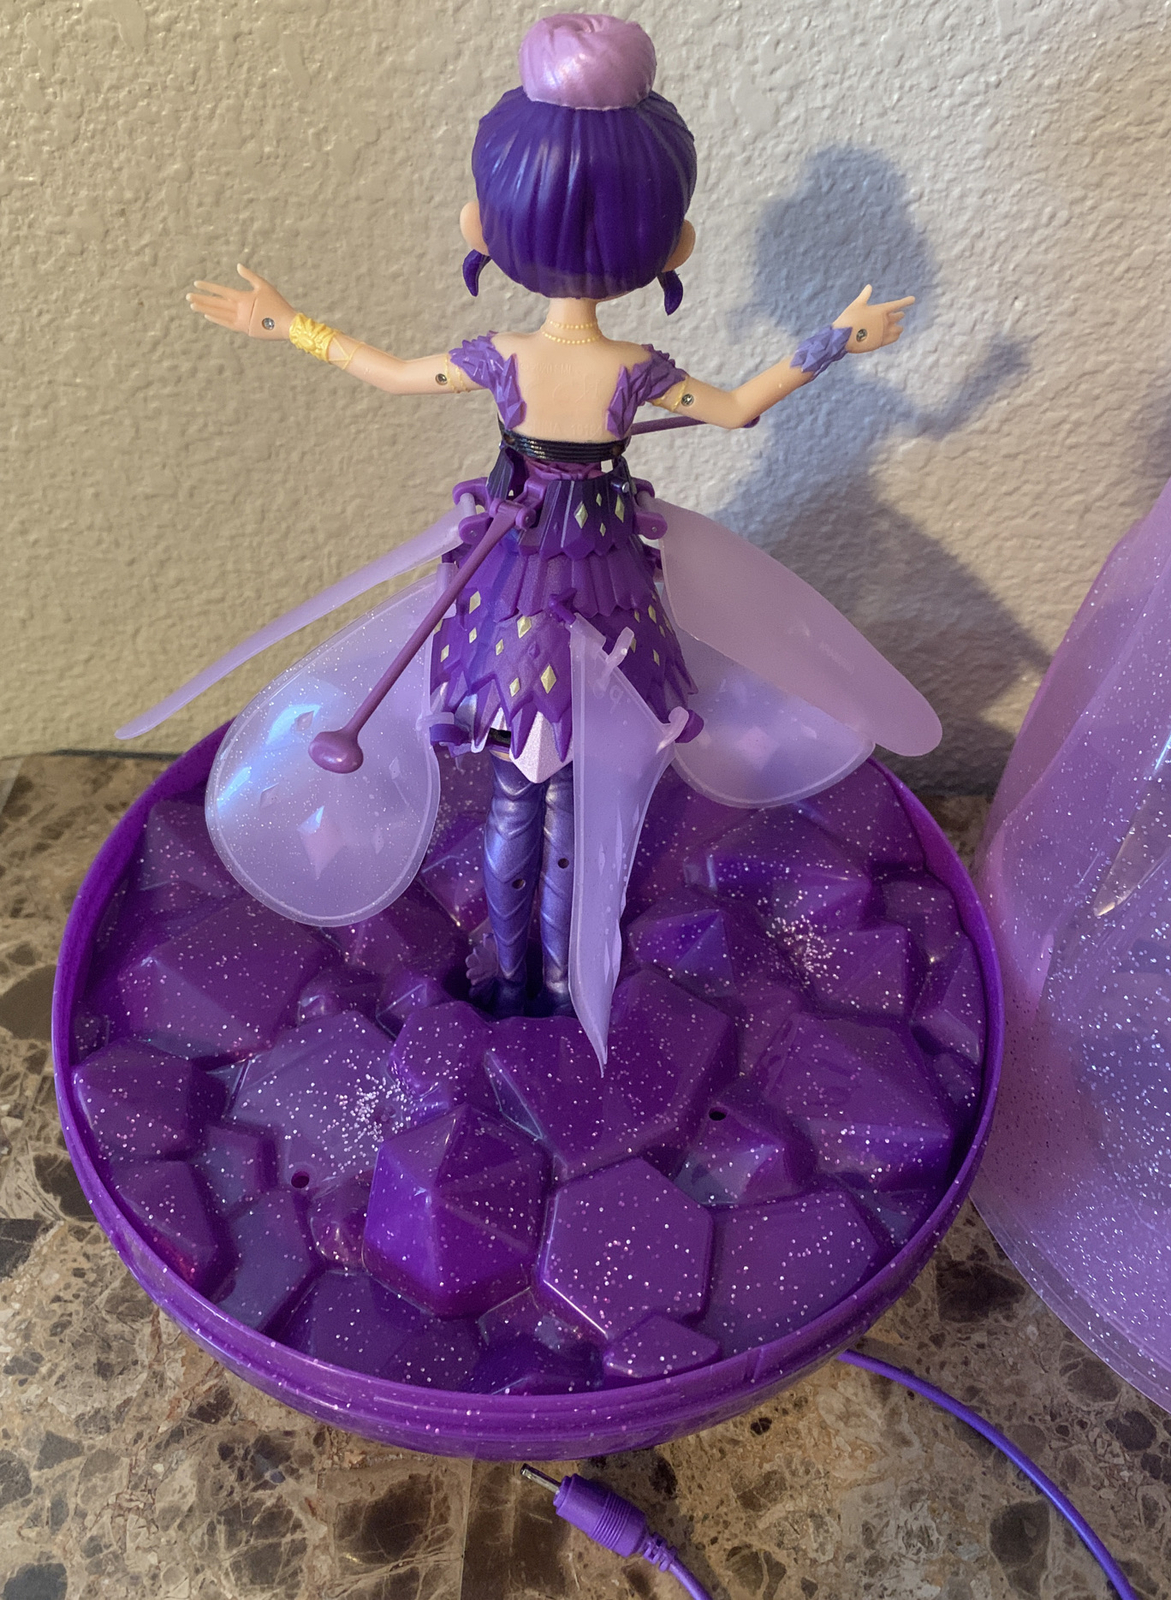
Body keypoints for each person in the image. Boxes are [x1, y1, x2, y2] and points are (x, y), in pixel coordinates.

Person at [174, 12, 937, 1051]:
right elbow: (738, 410)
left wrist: (287, 324)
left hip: (510, 592)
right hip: (605, 587)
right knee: (573, 797)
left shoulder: (499, 358)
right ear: (674, 245)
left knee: (515, 800)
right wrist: (833, 340)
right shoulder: (635, 369)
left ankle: (517, 977)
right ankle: (557, 975)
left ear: (479, 227)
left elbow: (386, 373)